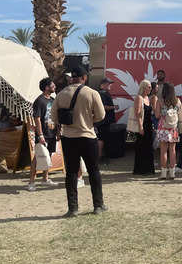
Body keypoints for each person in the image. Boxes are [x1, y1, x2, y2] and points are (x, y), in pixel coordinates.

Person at [51, 67, 106, 217]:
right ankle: (98, 205)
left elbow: (54, 117)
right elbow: (101, 115)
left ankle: (73, 208)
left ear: (71, 78)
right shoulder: (92, 93)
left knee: (71, 173)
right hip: (87, 136)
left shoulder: (61, 94)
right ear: (84, 77)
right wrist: (88, 120)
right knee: (94, 170)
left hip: (68, 138)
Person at [28, 77, 58, 191]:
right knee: (37, 157)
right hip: (43, 134)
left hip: (52, 132)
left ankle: (45, 179)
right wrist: (40, 135)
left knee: (48, 155)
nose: (54, 86)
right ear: (46, 87)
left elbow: (55, 117)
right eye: (52, 85)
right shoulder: (39, 101)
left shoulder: (52, 100)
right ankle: (31, 182)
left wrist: (58, 132)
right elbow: (37, 119)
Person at [154, 82, 182, 180]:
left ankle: (163, 174)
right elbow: (180, 114)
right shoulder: (178, 101)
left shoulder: (160, 101)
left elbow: (157, 115)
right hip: (173, 128)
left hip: (163, 127)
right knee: (173, 150)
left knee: (163, 151)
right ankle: (172, 173)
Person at [131, 80, 154, 175]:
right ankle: (140, 169)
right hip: (142, 125)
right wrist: (140, 127)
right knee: (141, 147)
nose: (150, 88)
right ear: (143, 87)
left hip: (149, 125)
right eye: (149, 87)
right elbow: (138, 114)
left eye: (150, 87)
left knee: (148, 147)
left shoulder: (148, 98)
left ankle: (148, 169)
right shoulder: (139, 98)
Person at [96, 77, 116, 161]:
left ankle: (101, 156)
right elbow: (103, 107)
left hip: (104, 120)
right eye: (108, 84)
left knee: (103, 138)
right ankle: (99, 157)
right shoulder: (102, 93)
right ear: (102, 85)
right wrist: (114, 107)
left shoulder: (103, 93)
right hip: (103, 121)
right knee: (101, 138)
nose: (110, 85)